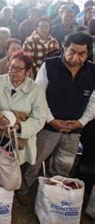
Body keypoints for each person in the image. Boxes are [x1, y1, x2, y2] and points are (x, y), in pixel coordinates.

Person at [17, 32, 95, 204]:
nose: (76, 57)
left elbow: (93, 102)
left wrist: (80, 122)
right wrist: (51, 120)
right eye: (72, 51)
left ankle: (53, 193)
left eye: (82, 53)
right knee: (35, 161)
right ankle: (23, 189)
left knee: (64, 164)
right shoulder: (49, 66)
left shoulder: (92, 71)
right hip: (48, 125)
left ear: (88, 53)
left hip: (74, 128)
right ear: (64, 48)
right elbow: (39, 96)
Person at [0, 52, 49, 187]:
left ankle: (6, 197)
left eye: (19, 69)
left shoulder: (36, 90)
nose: (14, 72)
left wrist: (19, 127)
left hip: (19, 138)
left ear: (28, 71)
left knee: (11, 171)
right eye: (12, 67)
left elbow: (40, 118)